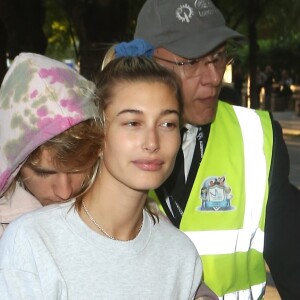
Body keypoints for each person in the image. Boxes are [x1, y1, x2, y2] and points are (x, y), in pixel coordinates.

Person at [0, 54, 203, 299]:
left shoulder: (180, 254)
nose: (152, 142)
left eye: (168, 124)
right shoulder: (30, 241)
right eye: (132, 122)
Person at [134, 0, 300, 299]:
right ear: (147, 63)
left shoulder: (257, 137)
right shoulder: (102, 141)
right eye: (192, 61)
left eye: (219, 57)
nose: (213, 78)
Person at [0, 52, 102, 237]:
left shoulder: (125, 209)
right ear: (15, 165)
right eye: (44, 172)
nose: (65, 191)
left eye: (78, 166)